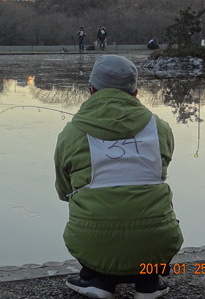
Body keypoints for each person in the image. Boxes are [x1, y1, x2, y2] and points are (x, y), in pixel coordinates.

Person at [54, 55, 183, 299]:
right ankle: (148, 282)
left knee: (95, 211)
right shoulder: (161, 128)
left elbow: (64, 191)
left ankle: (96, 279)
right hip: (157, 243)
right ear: (135, 92)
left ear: (91, 90)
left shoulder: (71, 133)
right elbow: (158, 175)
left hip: (92, 241)